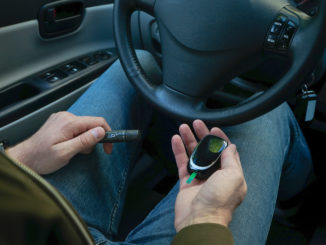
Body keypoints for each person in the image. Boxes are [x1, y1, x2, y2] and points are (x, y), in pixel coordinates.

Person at [0, 51, 313, 245]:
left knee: (139, 63)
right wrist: (207, 218)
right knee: (269, 113)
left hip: (27, 222)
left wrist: (19, 157)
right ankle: (300, 207)